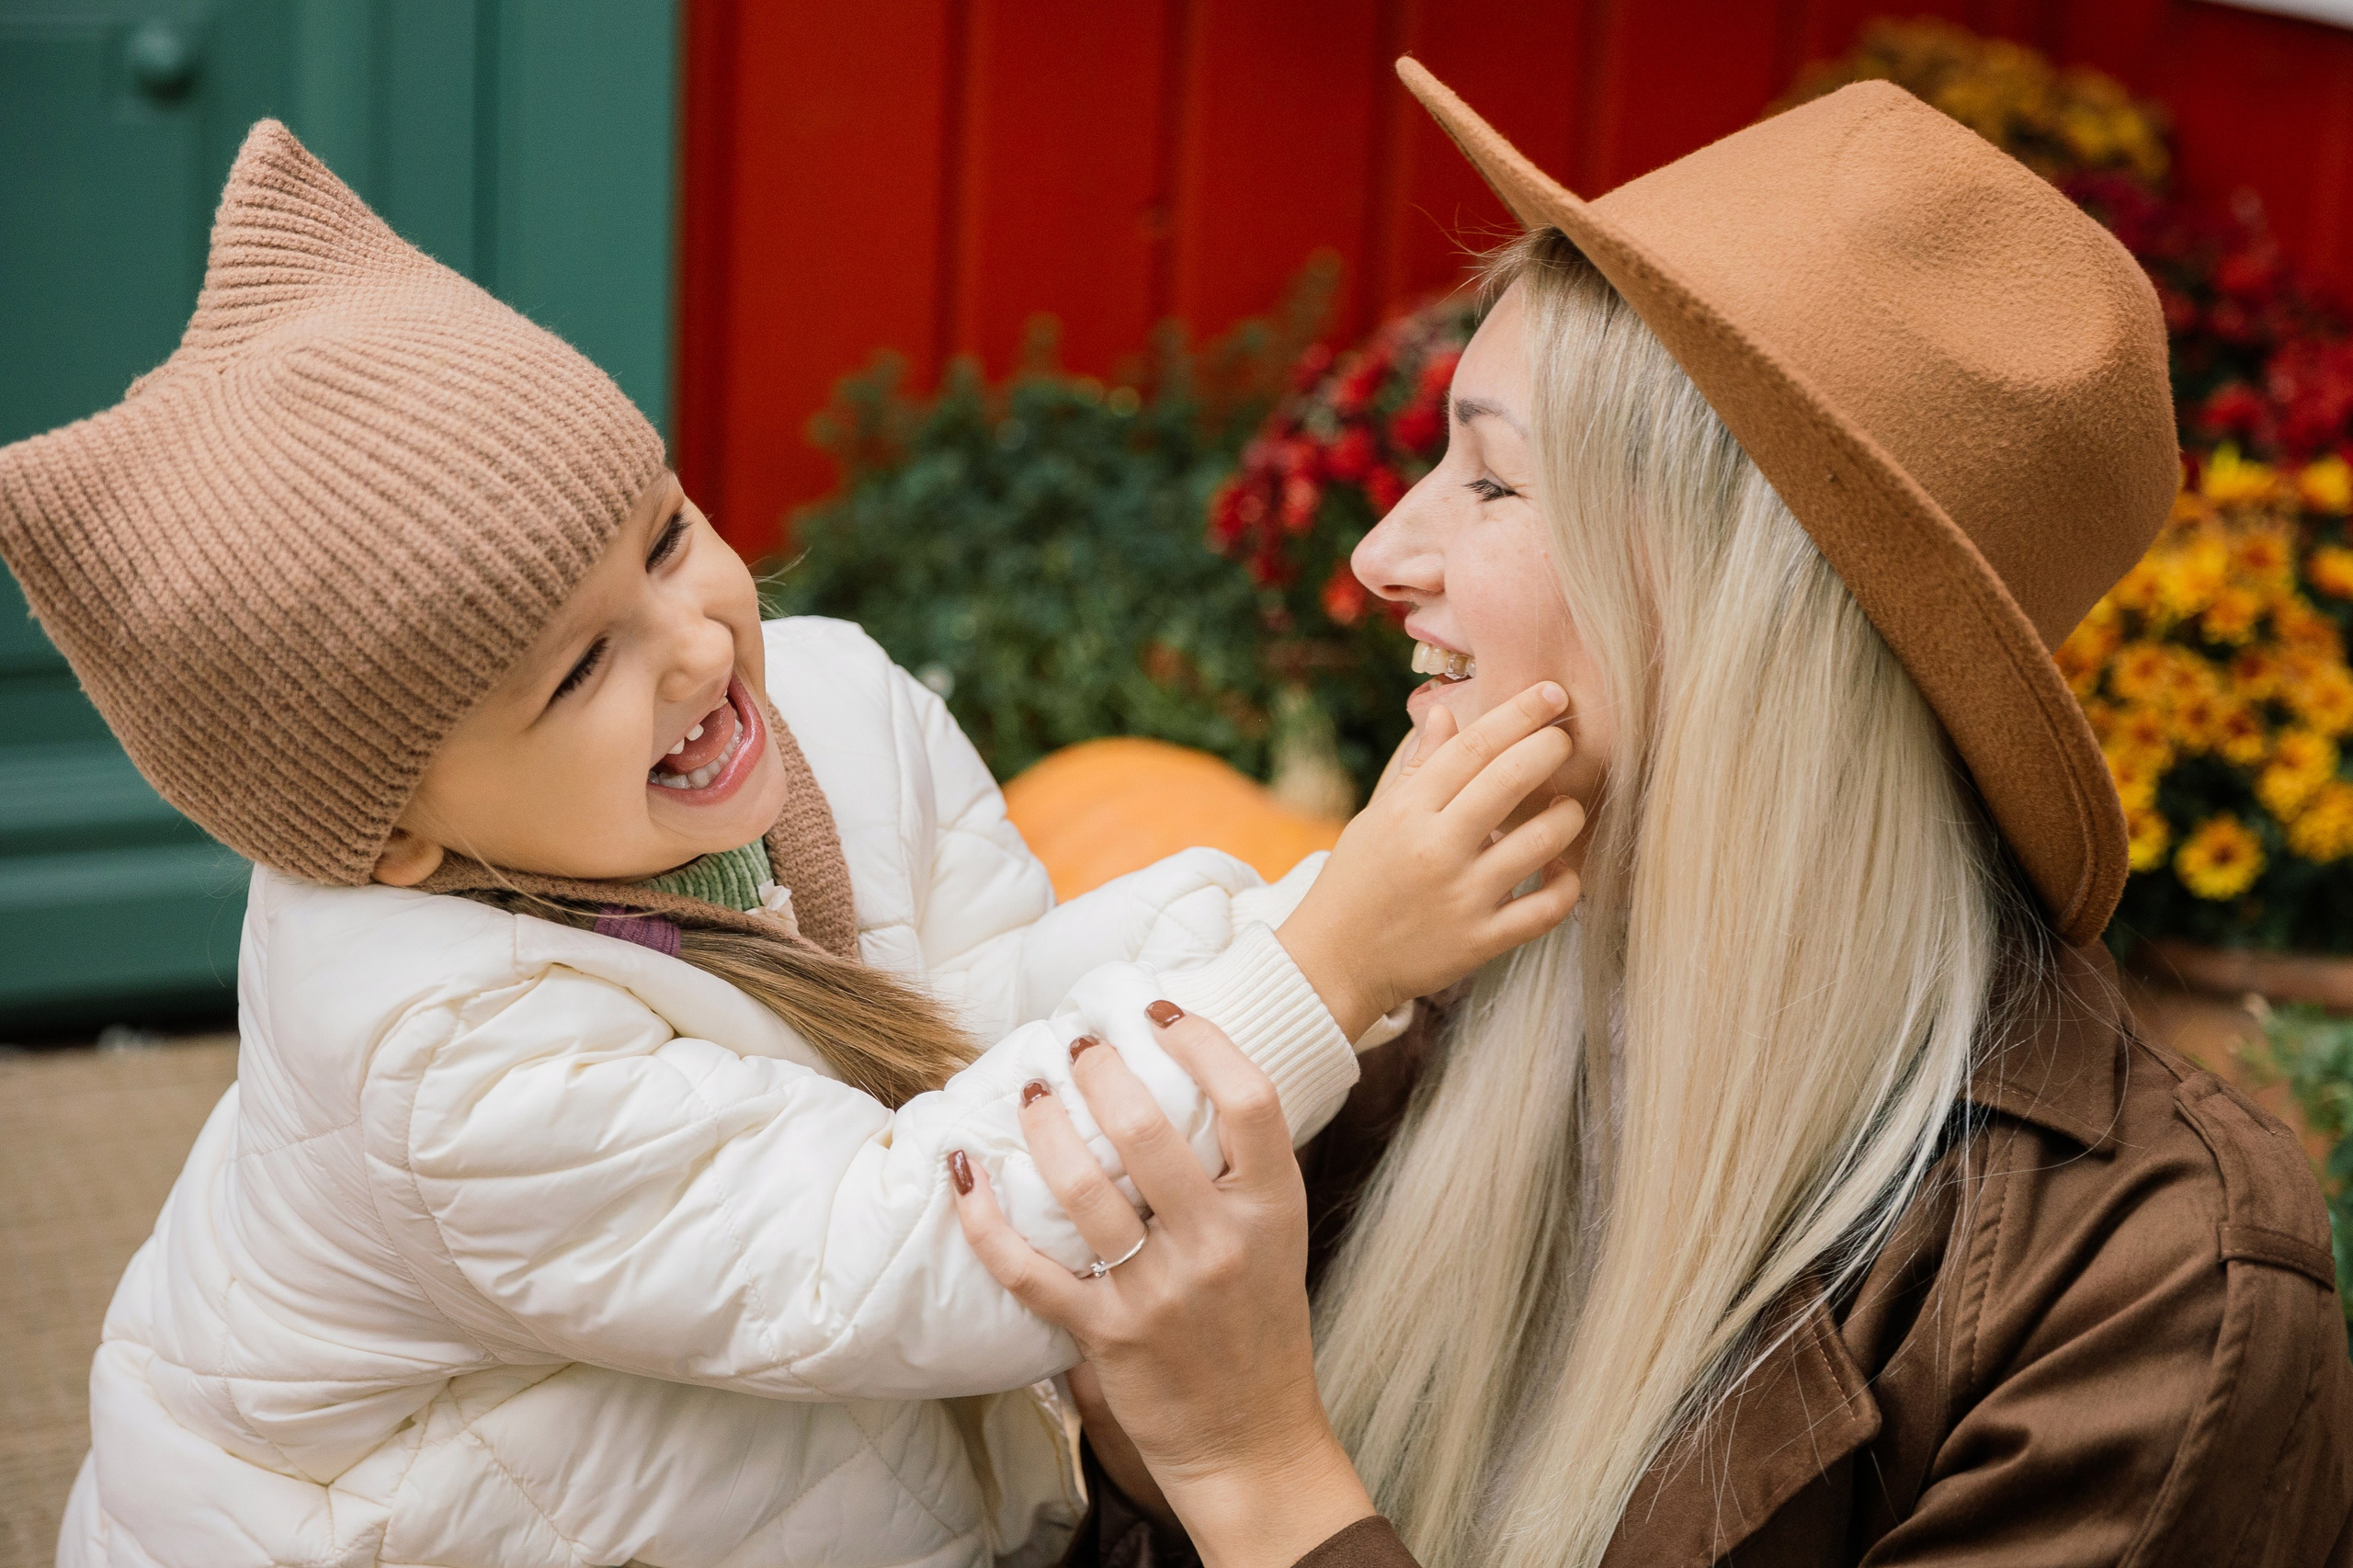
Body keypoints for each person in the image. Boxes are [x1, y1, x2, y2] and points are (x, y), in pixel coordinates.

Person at [6, 122, 1586, 1568]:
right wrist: (1330, 961)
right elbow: (904, 1247)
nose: (692, 647)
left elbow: (989, 1027)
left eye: (667, 535)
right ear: (402, 834)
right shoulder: (442, 1059)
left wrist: (1317, 910)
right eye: (577, 670)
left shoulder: (828, 700)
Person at [952, 61, 2353, 1568]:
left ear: (1741, 616)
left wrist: (1252, 1468)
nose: (1377, 554)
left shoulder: (2145, 1290)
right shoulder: (1396, 1022)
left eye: (1491, 485)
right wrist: (1116, 1450)